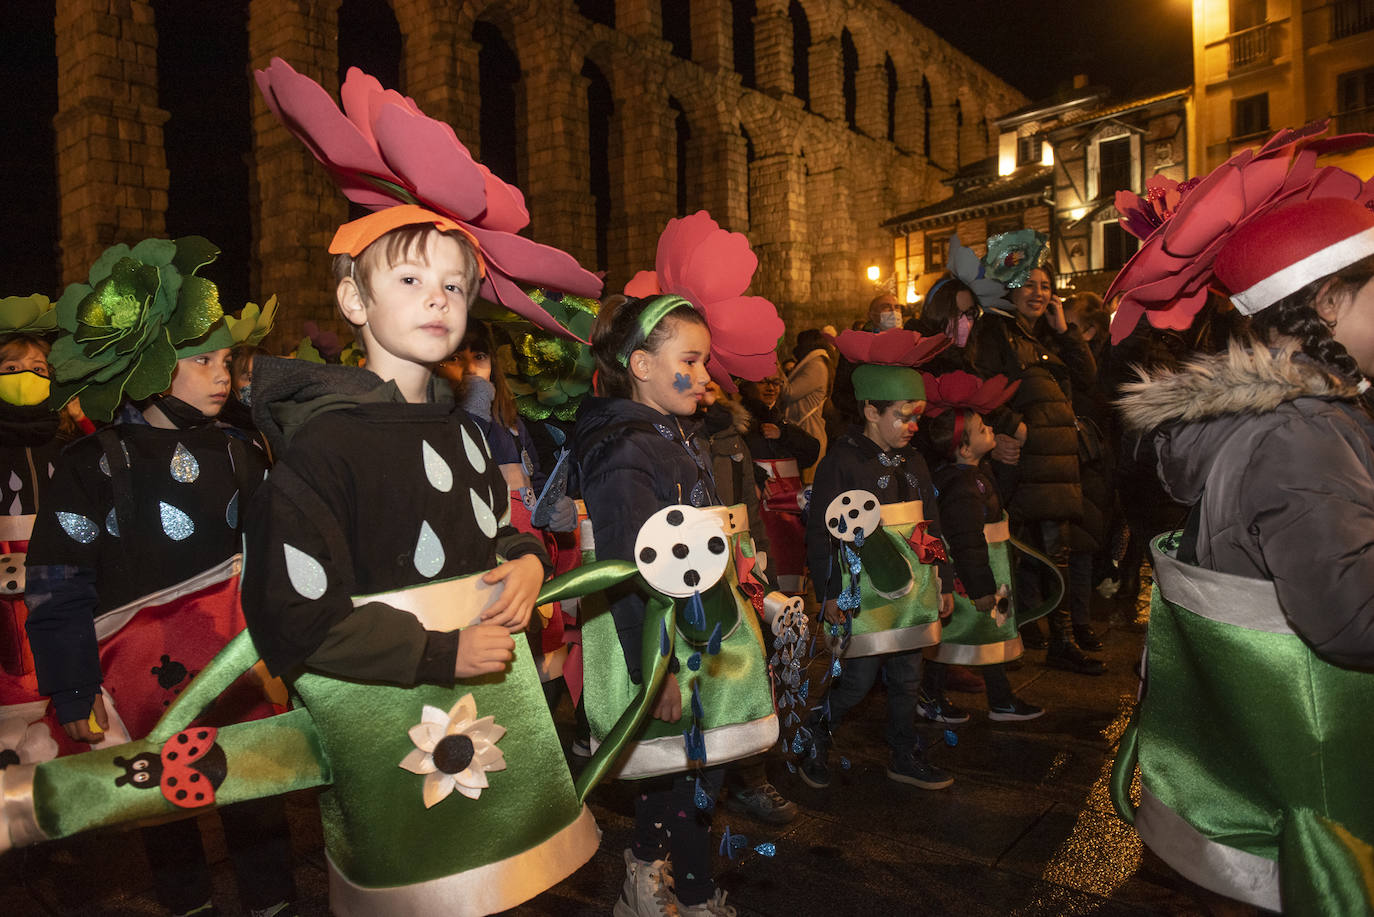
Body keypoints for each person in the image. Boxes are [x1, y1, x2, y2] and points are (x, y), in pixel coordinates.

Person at [1111, 190, 1374, 909]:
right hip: (1315, 789)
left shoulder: (1273, 422)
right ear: (1327, 302)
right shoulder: (1303, 436)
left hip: (1255, 779)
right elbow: (1352, 619)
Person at [23, 238, 294, 917]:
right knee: (165, 819)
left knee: (259, 808)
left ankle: (275, 903)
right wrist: (73, 682)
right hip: (148, 689)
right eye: (202, 359)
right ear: (150, 366)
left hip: (242, 680)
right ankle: (187, 903)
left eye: (227, 359)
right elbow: (58, 579)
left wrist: (291, 650)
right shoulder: (92, 464)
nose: (221, 372)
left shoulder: (244, 455)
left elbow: (278, 566)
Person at [576, 293, 779, 917]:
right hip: (662, 638)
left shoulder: (670, 434)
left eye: (707, 362)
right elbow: (631, 566)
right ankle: (653, 881)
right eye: (689, 361)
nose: (706, 376)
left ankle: (685, 888)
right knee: (680, 769)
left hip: (696, 628)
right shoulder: (626, 450)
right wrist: (652, 667)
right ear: (640, 365)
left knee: (700, 767)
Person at [800, 329, 956, 793]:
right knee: (857, 680)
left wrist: (942, 579)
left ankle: (904, 754)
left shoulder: (915, 461)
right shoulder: (842, 463)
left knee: (909, 676)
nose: (912, 427)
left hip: (913, 591)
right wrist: (829, 592)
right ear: (871, 410)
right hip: (861, 590)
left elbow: (930, 523)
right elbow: (822, 532)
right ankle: (814, 735)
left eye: (917, 418)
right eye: (903, 417)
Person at [968, 254, 1104, 674]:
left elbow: (1087, 377)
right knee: (1023, 551)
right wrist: (1010, 426)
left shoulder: (1044, 335)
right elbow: (979, 383)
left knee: (1054, 551)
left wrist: (1065, 330)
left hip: (1054, 463)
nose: (1039, 293)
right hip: (1028, 462)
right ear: (1009, 288)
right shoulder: (996, 330)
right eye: (1029, 284)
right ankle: (1016, 635)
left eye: (1045, 286)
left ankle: (1052, 637)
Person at [919, 374, 1044, 723]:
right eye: (981, 427)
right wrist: (981, 588)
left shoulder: (972, 474)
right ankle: (942, 697)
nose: (990, 427)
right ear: (964, 447)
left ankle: (975, 697)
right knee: (969, 633)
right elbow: (967, 540)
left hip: (987, 572)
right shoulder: (961, 486)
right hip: (976, 576)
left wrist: (1007, 466)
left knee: (983, 634)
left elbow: (995, 499)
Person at [780, 329, 834, 481]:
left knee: (808, 486)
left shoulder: (816, 366)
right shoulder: (816, 363)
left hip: (809, 433)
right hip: (805, 430)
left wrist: (776, 367)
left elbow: (789, 392)